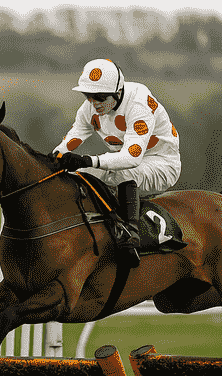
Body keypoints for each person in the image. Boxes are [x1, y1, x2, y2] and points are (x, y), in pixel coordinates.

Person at [52, 59, 181, 267]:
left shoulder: (139, 104)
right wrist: (53, 159)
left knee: (122, 173)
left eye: (100, 98)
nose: (94, 103)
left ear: (118, 92)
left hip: (162, 164)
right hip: (124, 160)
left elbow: (132, 158)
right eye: (89, 96)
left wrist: (88, 159)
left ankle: (130, 234)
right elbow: (73, 138)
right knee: (81, 175)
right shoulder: (90, 108)